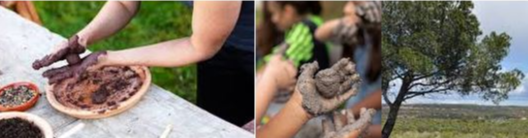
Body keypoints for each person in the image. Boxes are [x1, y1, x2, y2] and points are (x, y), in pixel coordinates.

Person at [32, 1, 255, 126]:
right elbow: (124, 4)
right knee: (216, 120)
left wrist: (105, 58)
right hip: (217, 35)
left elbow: (202, 46)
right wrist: (82, 39)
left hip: (254, 42)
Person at [254, 1, 382, 138]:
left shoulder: (306, 26)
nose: (346, 8)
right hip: (349, 116)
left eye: (355, 4)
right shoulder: (359, 33)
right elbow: (321, 33)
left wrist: (270, 78)